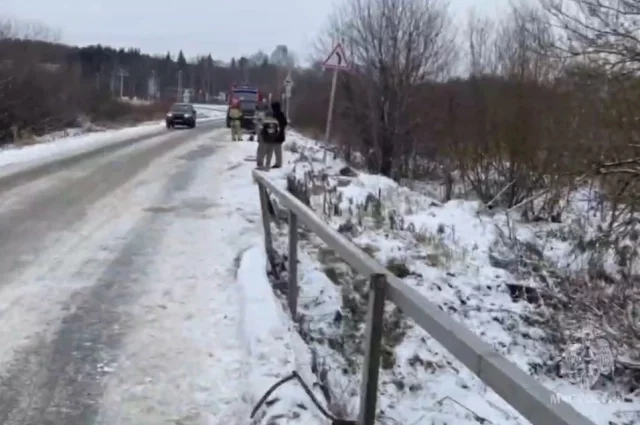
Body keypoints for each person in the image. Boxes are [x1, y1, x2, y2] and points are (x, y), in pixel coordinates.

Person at [268, 101, 287, 168]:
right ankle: (278, 162)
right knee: (276, 150)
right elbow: (285, 123)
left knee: (277, 150)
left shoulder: (276, 115)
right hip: (279, 135)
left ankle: (278, 163)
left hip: (277, 135)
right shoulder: (281, 115)